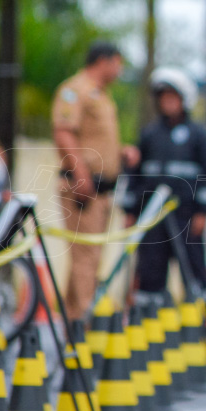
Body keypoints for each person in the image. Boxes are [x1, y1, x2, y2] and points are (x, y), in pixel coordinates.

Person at [122, 67, 206, 305]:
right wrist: (131, 211)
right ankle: (149, 318)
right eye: (163, 98)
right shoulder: (149, 134)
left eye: (172, 98)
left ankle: (199, 319)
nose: (168, 103)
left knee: (192, 267)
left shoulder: (198, 136)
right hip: (152, 216)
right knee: (150, 268)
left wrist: (202, 213)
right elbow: (136, 175)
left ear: (184, 100)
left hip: (186, 216)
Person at [52, 41, 132, 321]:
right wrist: (80, 175)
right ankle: (84, 327)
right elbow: (64, 132)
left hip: (102, 189)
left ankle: (74, 323)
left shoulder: (101, 94)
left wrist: (121, 152)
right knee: (85, 258)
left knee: (89, 258)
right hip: (82, 188)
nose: (120, 70)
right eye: (118, 63)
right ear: (104, 61)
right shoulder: (76, 90)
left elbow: (94, 139)